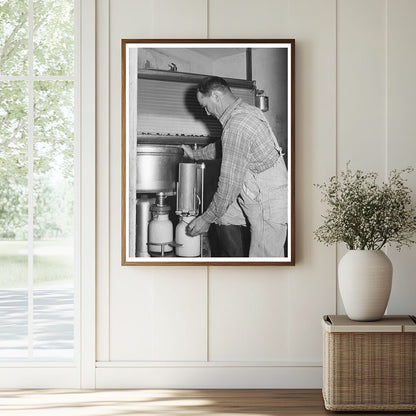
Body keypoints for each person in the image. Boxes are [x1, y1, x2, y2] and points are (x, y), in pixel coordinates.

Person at [183, 76, 288, 257]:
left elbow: (229, 185)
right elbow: (224, 147)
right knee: (224, 215)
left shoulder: (237, 125)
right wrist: (195, 154)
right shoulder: (245, 111)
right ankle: (237, 262)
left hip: (267, 202)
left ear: (216, 96)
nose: (207, 113)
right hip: (254, 191)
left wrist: (205, 219)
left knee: (264, 264)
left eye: (206, 106)